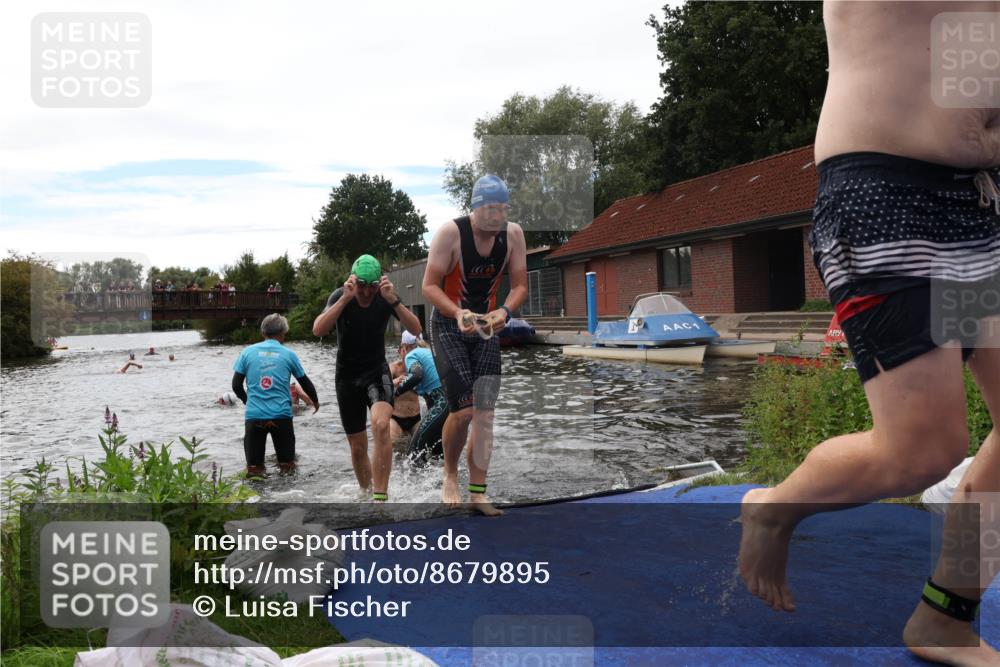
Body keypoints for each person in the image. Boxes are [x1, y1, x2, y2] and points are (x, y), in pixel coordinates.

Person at [737, 3, 999, 665]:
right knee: (923, 450)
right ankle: (774, 506)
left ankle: (948, 613)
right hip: (886, 195)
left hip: (978, 203)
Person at [421, 174, 528, 515]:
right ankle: (450, 475)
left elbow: (521, 286)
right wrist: (457, 313)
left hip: (487, 328)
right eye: (491, 210)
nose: (497, 217)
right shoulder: (450, 234)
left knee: (485, 416)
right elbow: (428, 286)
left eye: (503, 209)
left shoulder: (513, 235)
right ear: (476, 208)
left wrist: (505, 312)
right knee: (464, 410)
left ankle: (478, 492)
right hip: (448, 325)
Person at [312, 254, 422, 501]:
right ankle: (366, 493)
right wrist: (344, 299)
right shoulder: (341, 295)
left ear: (378, 284)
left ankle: (381, 497)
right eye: (360, 286)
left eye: (370, 287)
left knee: (382, 425)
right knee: (358, 445)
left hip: (376, 371)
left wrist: (394, 300)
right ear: (352, 282)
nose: (365, 293)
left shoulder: (385, 296)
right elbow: (318, 329)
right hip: (347, 376)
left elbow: (416, 329)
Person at [232, 314, 320, 476]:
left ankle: (255, 498)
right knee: (288, 466)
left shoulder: (247, 353)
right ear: (282, 333)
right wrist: (315, 401)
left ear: (263, 332)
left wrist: (248, 401)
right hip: (281, 417)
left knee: (254, 469)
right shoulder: (288, 354)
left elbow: (236, 386)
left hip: (255, 417)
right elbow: (305, 382)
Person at [394, 331, 450, 466]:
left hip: (442, 404)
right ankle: (442, 484)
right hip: (450, 403)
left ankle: (415, 486)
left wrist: (396, 393)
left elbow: (416, 375)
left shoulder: (411, 355)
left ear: (405, 347)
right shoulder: (429, 353)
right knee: (438, 455)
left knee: (413, 454)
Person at [388, 355, 421, 442]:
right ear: (400, 351)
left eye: (412, 348)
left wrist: (411, 383)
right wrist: (394, 382)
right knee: (394, 444)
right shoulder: (393, 367)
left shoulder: (419, 370)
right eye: (406, 348)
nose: (409, 352)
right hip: (396, 418)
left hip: (415, 417)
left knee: (421, 443)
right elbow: (381, 386)